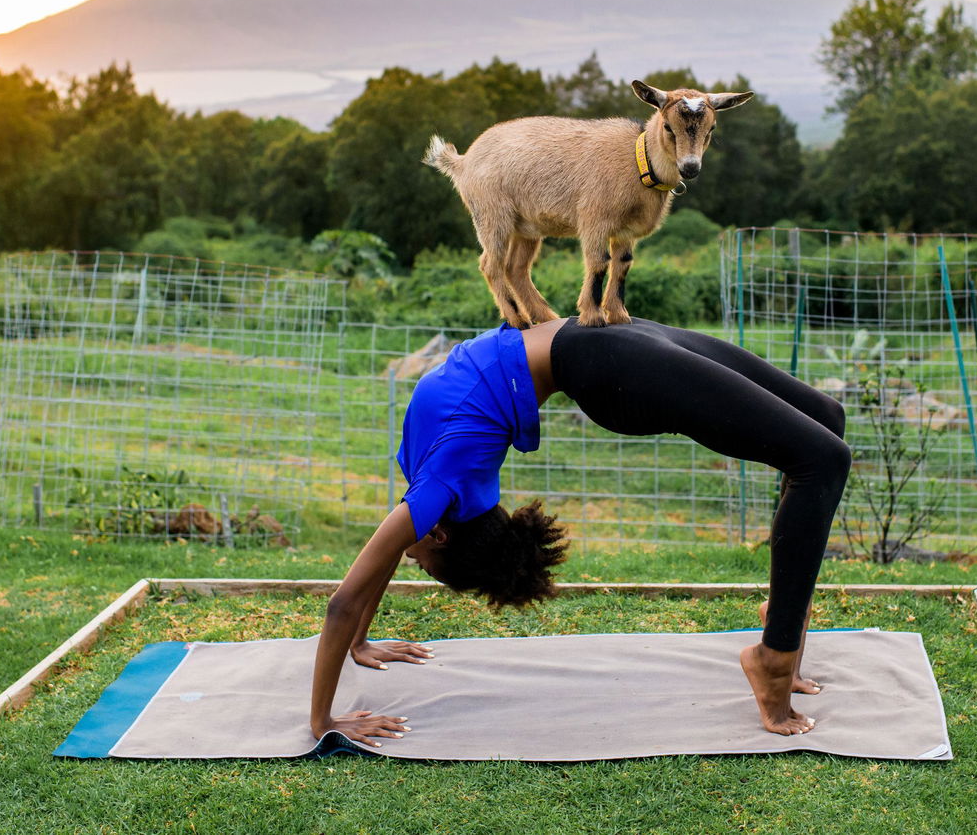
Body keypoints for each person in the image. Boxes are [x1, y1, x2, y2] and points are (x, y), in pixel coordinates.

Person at [309, 317, 851, 746]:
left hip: (601, 343)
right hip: (602, 360)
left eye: (420, 563)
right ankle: (775, 657)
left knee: (826, 419)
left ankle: (780, 619)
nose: (408, 557)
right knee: (822, 459)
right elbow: (374, 569)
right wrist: (358, 642)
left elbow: (344, 600)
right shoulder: (440, 491)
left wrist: (322, 721)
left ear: (440, 536)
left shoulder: (435, 491)